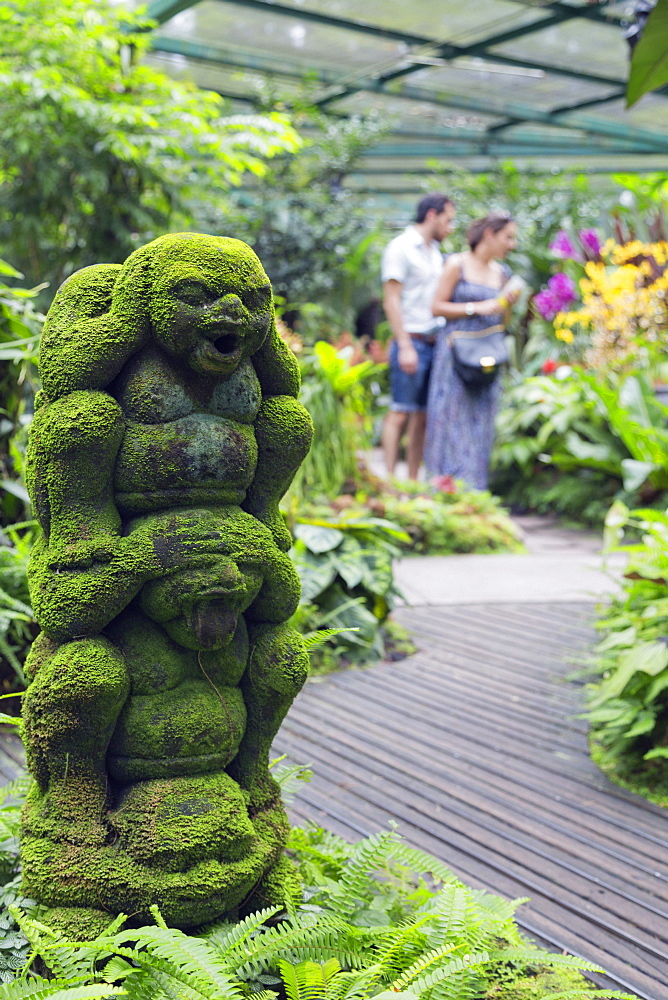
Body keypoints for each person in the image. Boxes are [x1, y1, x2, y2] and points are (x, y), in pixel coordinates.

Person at [425, 212, 519, 491]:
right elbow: (436, 307)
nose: (512, 244)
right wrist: (475, 307)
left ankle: (474, 491)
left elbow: (501, 321)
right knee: (450, 418)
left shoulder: (502, 274)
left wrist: (507, 305)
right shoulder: (456, 264)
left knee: (481, 421)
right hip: (455, 356)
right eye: (508, 237)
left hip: (487, 356)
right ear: (489, 234)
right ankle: (443, 488)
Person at [381, 193, 455, 479]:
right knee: (400, 411)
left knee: (422, 417)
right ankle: (389, 479)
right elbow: (391, 300)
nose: (451, 227)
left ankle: (412, 482)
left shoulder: (435, 253)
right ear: (432, 215)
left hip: (435, 343)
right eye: (448, 220)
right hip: (410, 341)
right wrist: (405, 345)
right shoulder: (400, 248)